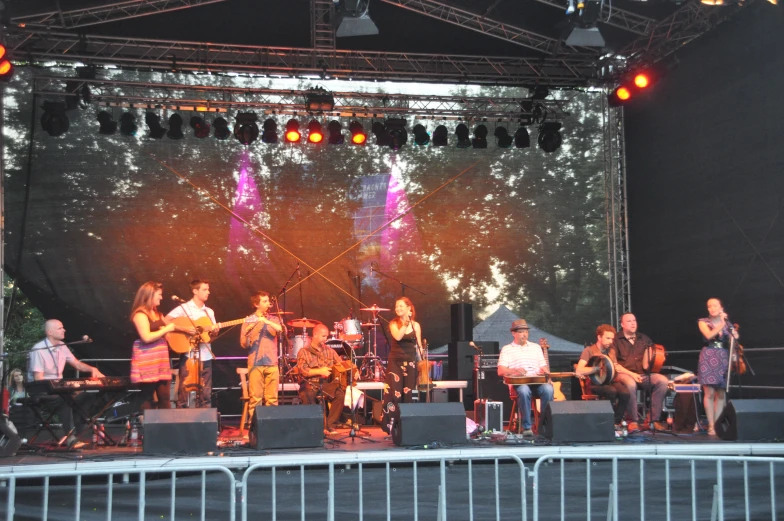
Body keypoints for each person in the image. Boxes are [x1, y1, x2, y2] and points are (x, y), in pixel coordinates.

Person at [28, 319, 104, 448]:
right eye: (60, 328)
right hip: (41, 390)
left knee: (87, 395)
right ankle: (71, 438)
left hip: (59, 389)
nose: (64, 330)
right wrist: (58, 387)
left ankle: (79, 433)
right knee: (65, 400)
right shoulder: (38, 349)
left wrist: (93, 369)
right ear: (50, 332)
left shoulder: (62, 346)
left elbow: (77, 364)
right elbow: (38, 379)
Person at [131, 281, 193, 413]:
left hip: (161, 361)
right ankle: (149, 429)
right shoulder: (140, 314)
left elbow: (171, 327)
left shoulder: (158, 313)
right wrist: (165, 330)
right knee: (147, 397)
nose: (161, 297)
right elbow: (146, 337)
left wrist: (188, 330)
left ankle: (167, 428)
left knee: (165, 397)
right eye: (159, 294)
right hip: (147, 362)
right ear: (150, 295)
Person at [610, 313, 669, 431]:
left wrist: (654, 358)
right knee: (630, 384)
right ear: (622, 324)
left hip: (642, 374)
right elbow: (614, 364)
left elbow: (648, 364)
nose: (633, 323)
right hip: (624, 374)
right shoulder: (615, 340)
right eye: (629, 321)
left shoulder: (644, 339)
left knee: (662, 380)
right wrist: (632, 375)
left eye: (634, 321)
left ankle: (653, 419)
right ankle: (633, 420)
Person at [166, 279, 217, 409]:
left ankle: (204, 423)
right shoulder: (184, 308)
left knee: (205, 394)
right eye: (204, 289)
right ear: (195, 291)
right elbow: (165, 321)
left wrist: (215, 333)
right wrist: (184, 329)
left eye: (208, 289)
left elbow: (209, 339)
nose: (208, 292)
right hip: (189, 356)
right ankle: (181, 423)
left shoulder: (209, 312)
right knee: (184, 392)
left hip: (206, 356)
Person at [497, 319, 554, 437]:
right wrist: (514, 371)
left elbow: (542, 366)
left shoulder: (536, 347)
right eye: (521, 332)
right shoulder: (507, 349)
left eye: (526, 332)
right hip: (518, 384)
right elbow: (500, 371)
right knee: (524, 390)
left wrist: (546, 372)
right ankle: (527, 427)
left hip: (536, 383)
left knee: (548, 389)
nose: (525, 334)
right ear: (514, 333)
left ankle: (545, 425)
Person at [380, 297, 423, 434]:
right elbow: (398, 337)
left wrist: (422, 361)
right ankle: (391, 427)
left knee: (408, 394)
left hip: (410, 363)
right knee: (393, 394)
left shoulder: (416, 325)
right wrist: (405, 323)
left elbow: (419, 346)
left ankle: (406, 427)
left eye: (401, 306)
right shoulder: (394, 323)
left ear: (409, 308)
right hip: (395, 363)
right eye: (396, 306)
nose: (398, 308)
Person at [576, 324, 631, 426]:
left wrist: (620, 370)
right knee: (611, 391)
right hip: (595, 383)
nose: (610, 341)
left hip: (610, 381)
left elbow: (614, 366)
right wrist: (597, 369)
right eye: (608, 338)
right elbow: (579, 370)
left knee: (625, 393)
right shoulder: (589, 350)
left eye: (612, 339)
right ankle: (605, 421)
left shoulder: (611, 351)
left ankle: (615, 422)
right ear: (599, 337)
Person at [697, 298, 737, 436]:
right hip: (708, 355)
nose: (712, 308)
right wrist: (722, 323)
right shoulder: (703, 322)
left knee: (720, 393)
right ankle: (711, 425)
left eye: (715, 306)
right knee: (709, 392)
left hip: (723, 357)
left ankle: (719, 423)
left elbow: (734, 337)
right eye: (709, 306)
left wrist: (734, 335)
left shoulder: (727, 323)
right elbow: (709, 335)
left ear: (721, 308)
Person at [296, 324, 346, 435]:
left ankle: (330, 425)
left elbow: (340, 365)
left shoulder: (330, 351)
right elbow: (302, 371)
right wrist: (319, 371)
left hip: (325, 384)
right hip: (310, 383)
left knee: (339, 394)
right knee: (307, 394)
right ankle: (315, 427)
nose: (325, 339)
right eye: (323, 336)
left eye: (326, 336)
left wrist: (352, 371)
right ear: (315, 335)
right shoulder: (303, 351)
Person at [240, 291, 283, 413]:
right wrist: (248, 333)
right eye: (264, 301)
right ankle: (255, 429)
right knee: (255, 399)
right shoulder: (248, 320)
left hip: (272, 363)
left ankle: (270, 427)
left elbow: (281, 331)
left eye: (268, 301)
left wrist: (266, 321)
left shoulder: (274, 319)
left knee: (272, 399)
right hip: (255, 364)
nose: (268, 303)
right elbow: (243, 344)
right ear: (256, 304)